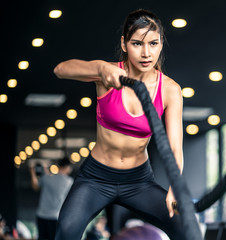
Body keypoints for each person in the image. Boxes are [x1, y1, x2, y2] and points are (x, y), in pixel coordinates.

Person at [53, 9, 185, 240]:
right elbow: (60, 70)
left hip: (139, 181)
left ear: (161, 44)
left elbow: (175, 147)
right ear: (124, 44)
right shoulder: (108, 75)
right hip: (96, 178)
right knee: (66, 230)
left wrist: (176, 184)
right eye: (137, 43)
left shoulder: (170, 90)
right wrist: (100, 68)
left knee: (183, 225)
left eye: (153, 43)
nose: (146, 53)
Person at [29, 158, 73, 240]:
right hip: (56, 217)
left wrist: (32, 172)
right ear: (67, 167)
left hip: (41, 215)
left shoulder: (46, 178)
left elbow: (35, 186)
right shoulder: (69, 181)